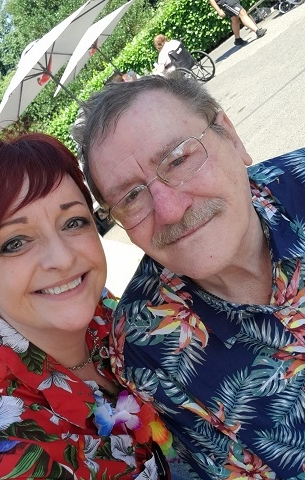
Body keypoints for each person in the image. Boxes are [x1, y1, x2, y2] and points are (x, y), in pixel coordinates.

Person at [72, 71, 305, 479]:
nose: (170, 209)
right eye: (130, 197)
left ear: (231, 137)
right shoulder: (147, 347)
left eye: (178, 158)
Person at [0, 133, 174, 479]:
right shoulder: (2, 454)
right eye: (15, 243)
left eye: (73, 222)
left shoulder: (100, 308)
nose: (63, 258)